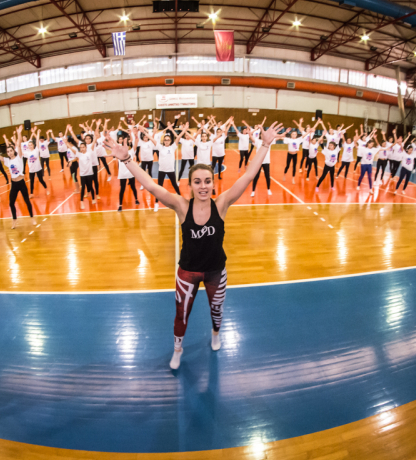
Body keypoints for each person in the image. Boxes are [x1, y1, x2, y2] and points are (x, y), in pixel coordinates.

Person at [104, 121, 285, 370]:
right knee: (181, 314)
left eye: (207, 181)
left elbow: (248, 175)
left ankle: (215, 333)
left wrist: (265, 144)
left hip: (216, 271)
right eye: (197, 182)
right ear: (190, 185)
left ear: (213, 183)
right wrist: (127, 160)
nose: (203, 186)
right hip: (187, 272)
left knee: (217, 310)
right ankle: (178, 349)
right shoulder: (181, 206)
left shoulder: (221, 204)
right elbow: (151, 186)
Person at [0, 126, 34, 228]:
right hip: (14, 184)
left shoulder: (19, 157)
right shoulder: (8, 161)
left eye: (11, 151)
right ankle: (14, 220)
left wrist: (19, 133)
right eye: (8, 151)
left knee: (26, 201)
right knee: (11, 203)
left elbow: (19, 145)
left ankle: (32, 217)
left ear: (13, 151)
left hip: (21, 183)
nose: (9, 152)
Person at [154, 123, 186, 210]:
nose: (166, 141)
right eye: (165, 140)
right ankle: (156, 203)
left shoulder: (172, 147)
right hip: (162, 170)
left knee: (175, 185)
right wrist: (145, 133)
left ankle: (181, 199)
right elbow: (153, 140)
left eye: (168, 140)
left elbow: (179, 137)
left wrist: (183, 130)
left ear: (170, 141)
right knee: (159, 186)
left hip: (170, 170)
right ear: (163, 141)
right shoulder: (160, 147)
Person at [113, 136, 140, 212]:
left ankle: (136, 199)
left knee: (133, 187)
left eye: (127, 145)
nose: (126, 146)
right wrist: (110, 138)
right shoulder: (119, 152)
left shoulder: (131, 151)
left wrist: (135, 134)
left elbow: (136, 142)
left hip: (131, 172)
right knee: (122, 189)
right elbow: (115, 144)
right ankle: (120, 205)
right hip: (122, 174)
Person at [355, 129, 383, 194]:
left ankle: (370, 189)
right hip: (364, 165)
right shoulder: (363, 149)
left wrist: (387, 148)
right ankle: (358, 185)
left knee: (369, 177)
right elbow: (356, 147)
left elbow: (380, 148)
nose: (372, 145)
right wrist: (354, 141)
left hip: (369, 165)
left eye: (373, 144)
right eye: (371, 144)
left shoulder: (373, 149)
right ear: (368, 144)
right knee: (361, 175)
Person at [71, 141, 97, 209]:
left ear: (85, 147)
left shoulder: (89, 153)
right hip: (82, 174)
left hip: (89, 173)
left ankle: (93, 198)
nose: (82, 148)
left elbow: (93, 144)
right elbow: (73, 150)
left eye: (83, 147)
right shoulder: (79, 154)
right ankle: (81, 201)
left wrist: (95, 137)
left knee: (90, 186)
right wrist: (66, 143)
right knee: (83, 187)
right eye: (81, 147)